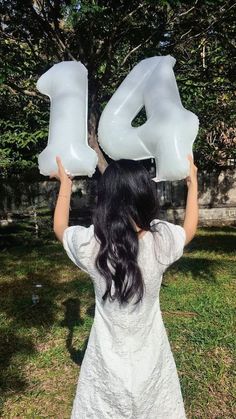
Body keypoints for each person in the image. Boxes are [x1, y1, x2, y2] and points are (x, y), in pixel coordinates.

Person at [50, 155, 198, 419]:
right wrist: (192, 183)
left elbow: (60, 228)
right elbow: (189, 229)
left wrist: (65, 184)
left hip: (105, 361)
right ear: (145, 194)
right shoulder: (161, 240)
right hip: (151, 357)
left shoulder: (91, 245)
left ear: (105, 197)